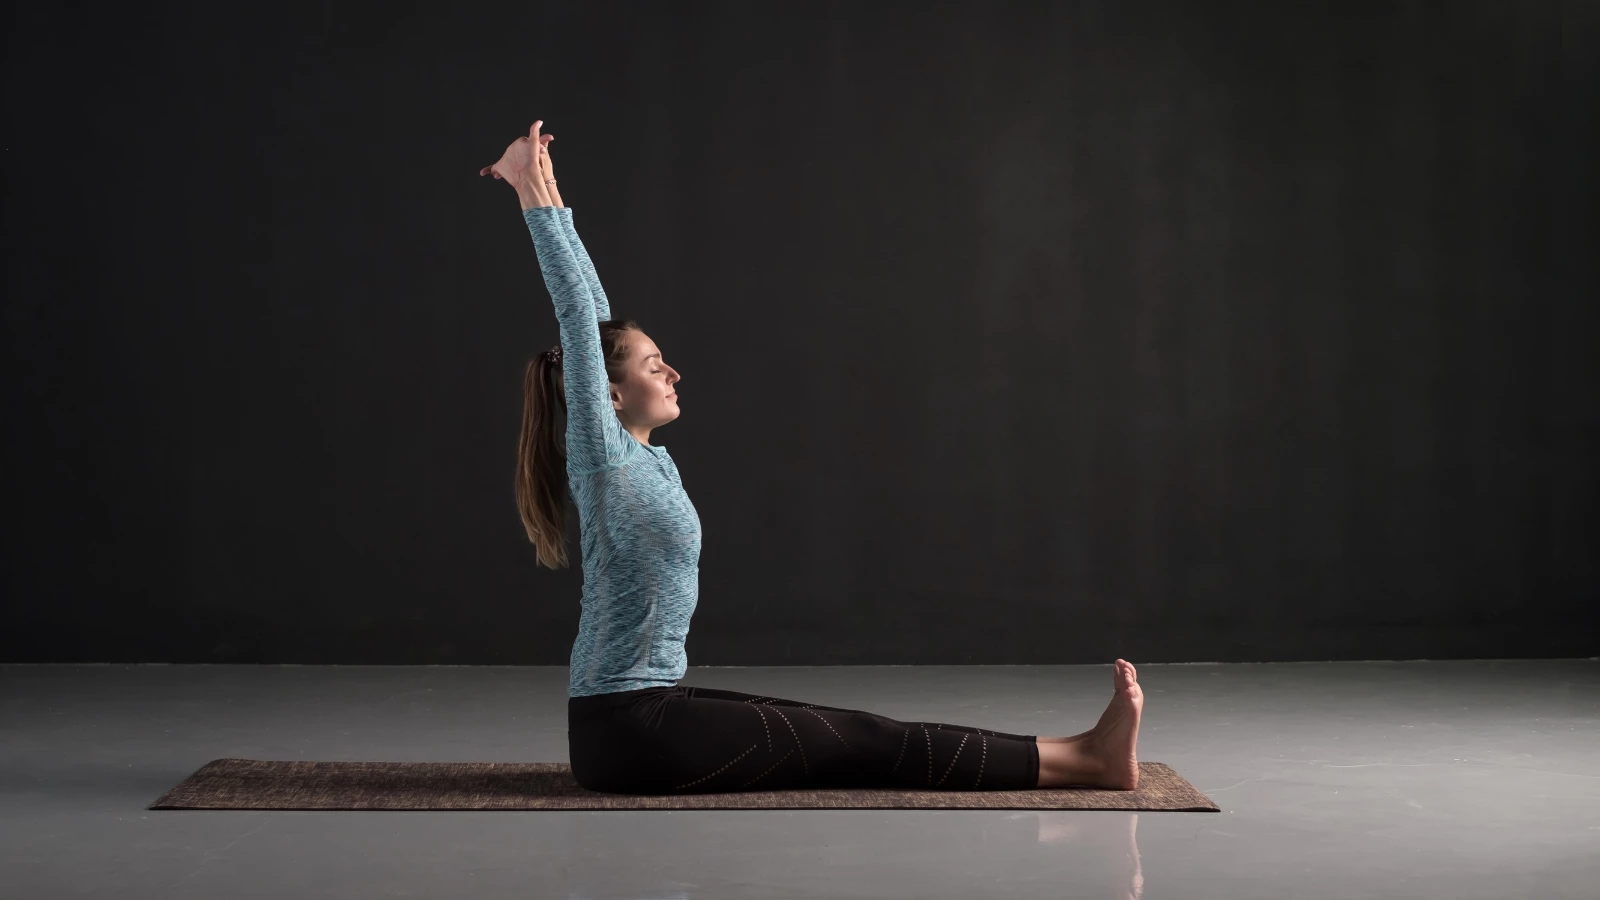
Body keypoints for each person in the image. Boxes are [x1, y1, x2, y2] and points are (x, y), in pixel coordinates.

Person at [479, 121, 1144, 795]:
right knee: (863, 743)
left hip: (646, 713)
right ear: (610, 394)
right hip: (624, 732)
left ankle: (1079, 750)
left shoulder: (642, 459)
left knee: (845, 725)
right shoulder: (602, 460)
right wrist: (529, 187)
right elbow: (576, 319)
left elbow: (592, 317)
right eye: (655, 365)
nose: (674, 371)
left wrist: (545, 183)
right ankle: (1085, 764)